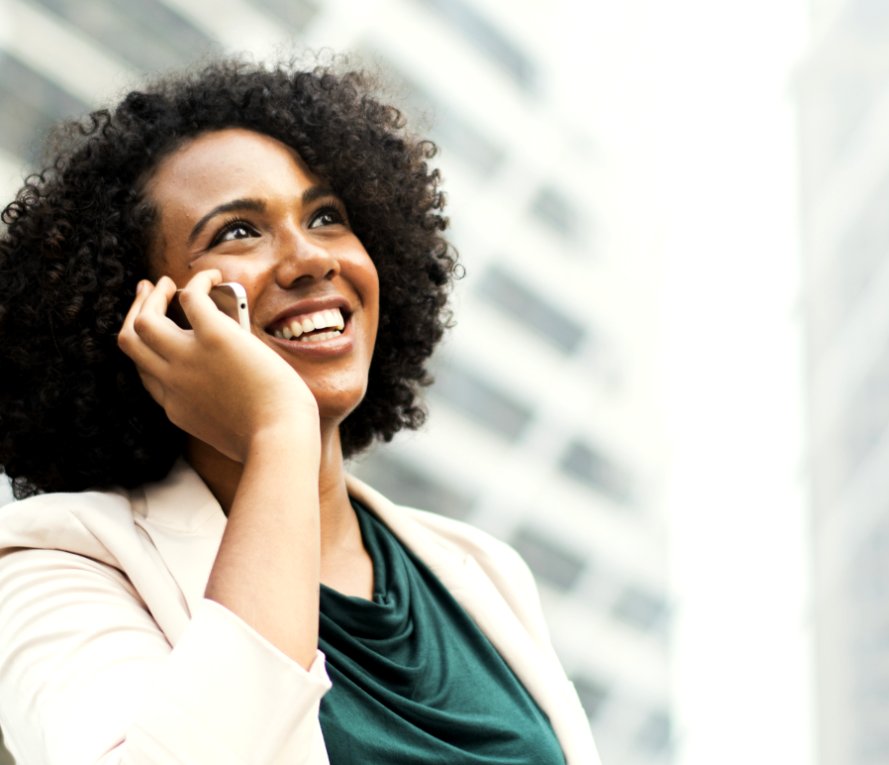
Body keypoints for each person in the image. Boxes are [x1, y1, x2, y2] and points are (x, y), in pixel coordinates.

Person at [0, 57, 600, 764]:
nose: (310, 257)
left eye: (326, 217)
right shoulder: (48, 566)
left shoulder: (481, 569)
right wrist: (276, 432)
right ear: (146, 312)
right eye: (236, 232)